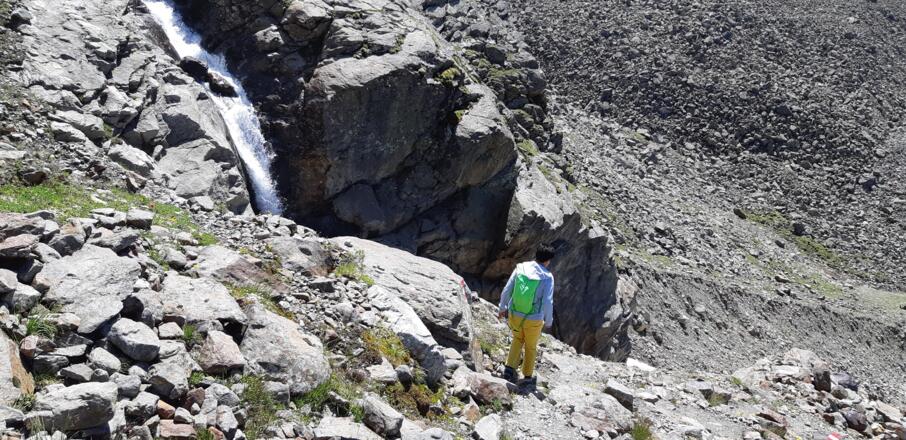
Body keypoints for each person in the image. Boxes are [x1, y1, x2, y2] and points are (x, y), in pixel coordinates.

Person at [497, 245, 555, 386]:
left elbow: (507, 289)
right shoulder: (547, 277)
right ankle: (527, 377)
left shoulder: (520, 268)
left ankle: (509, 369)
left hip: (515, 314)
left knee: (517, 339)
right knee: (530, 346)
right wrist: (548, 320)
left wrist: (502, 307)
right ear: (548, 260)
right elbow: (547, 301)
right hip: (533, 319)